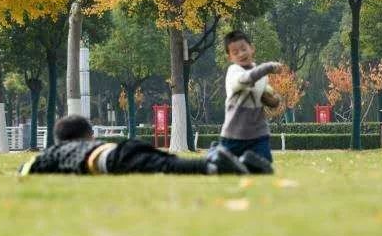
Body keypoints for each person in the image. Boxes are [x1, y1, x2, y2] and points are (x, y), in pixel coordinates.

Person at [18, 115, 271, 176]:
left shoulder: (55, 152)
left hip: (109, 161)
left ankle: (214, 165)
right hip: (121, 148)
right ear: (88, 135)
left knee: (167, 166)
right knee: (168, 160)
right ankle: (239, 163)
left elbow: (28, 167)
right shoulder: (91, 144)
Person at [216, 30, 282, 169]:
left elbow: (267, 97)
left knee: (263, 166)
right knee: (222, 166)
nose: (241, 54)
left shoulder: (262, 76)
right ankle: (215, 151)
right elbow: (246, 79)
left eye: (244, 49)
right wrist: (268, 67)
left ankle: (244, 162)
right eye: (235, 52)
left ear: (252, 48)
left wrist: (274, 100)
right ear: (230, 57)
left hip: (258, 135)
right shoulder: (233, 72)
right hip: (233, 135)